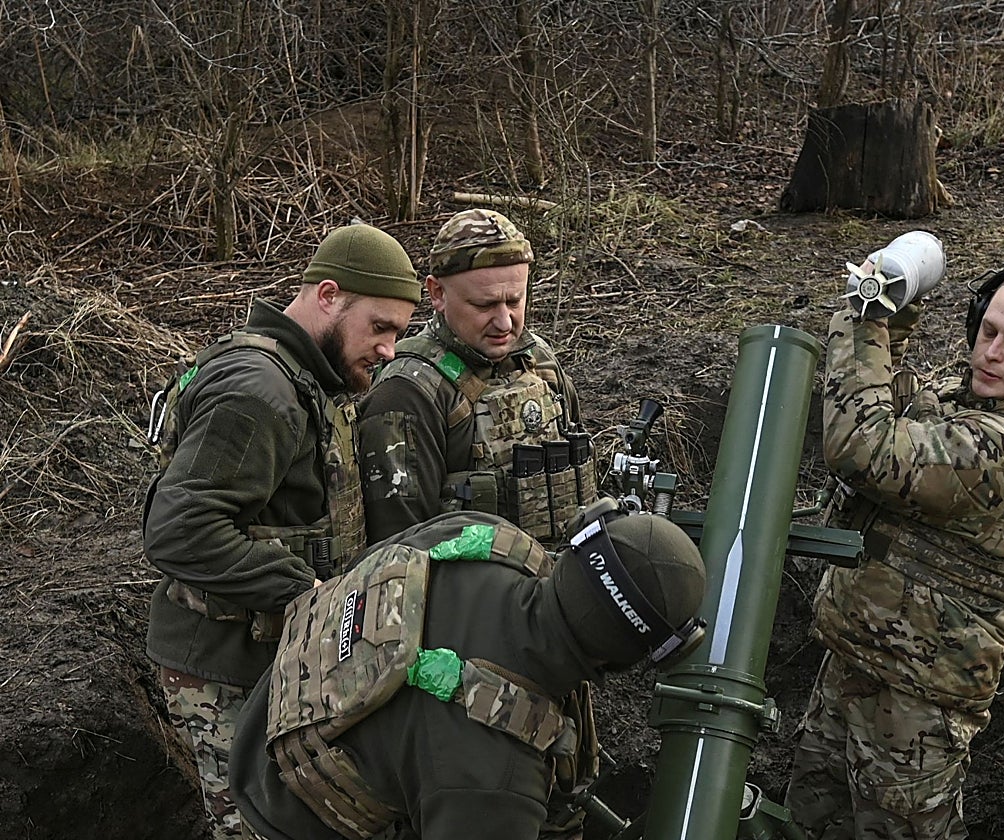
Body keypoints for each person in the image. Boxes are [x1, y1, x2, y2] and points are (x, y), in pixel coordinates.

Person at [786, 253, 1004, 838]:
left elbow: (864, 447)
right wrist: (890, 315)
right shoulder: (962, 406)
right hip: (853, 664)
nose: (992, 353)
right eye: (988, 331)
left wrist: (862, 320)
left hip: (916, 707)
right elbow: (878, 396)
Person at [142, 223, 421, 840]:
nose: (389, 351)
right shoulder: (260, 391)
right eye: (379, 327)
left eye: (399, 334)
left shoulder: (304, 375)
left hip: (274, 659)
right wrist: (311, 597)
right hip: (226, 669)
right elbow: (181, 531)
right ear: (328, 296)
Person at [228, 501, 707, 840]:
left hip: (269, 711)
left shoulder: (484, 537)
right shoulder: (496, 780)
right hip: (286, 817)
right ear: (627, 660)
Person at [358, 208, 598, 548]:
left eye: (514, 300)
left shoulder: (536, 358)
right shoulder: (406, 394)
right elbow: (399, 553)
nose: (505, 323)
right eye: (485, 305)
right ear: (437, 294)